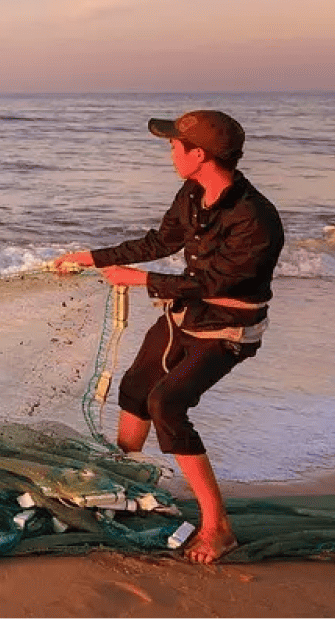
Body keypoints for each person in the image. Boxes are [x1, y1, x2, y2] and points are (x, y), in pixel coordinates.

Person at [52, 109, 282, 565]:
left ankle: (218, 527)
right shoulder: (193, 191)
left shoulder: (256, 219)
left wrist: (138, 281)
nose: (169, 151)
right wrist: (91, 257)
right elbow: (161, 242)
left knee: (167, 404)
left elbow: (214, 284)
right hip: (186, 313)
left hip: (228, 328)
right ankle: (124, 488)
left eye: (175, 144)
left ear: (198, 154)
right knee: (136, 389)